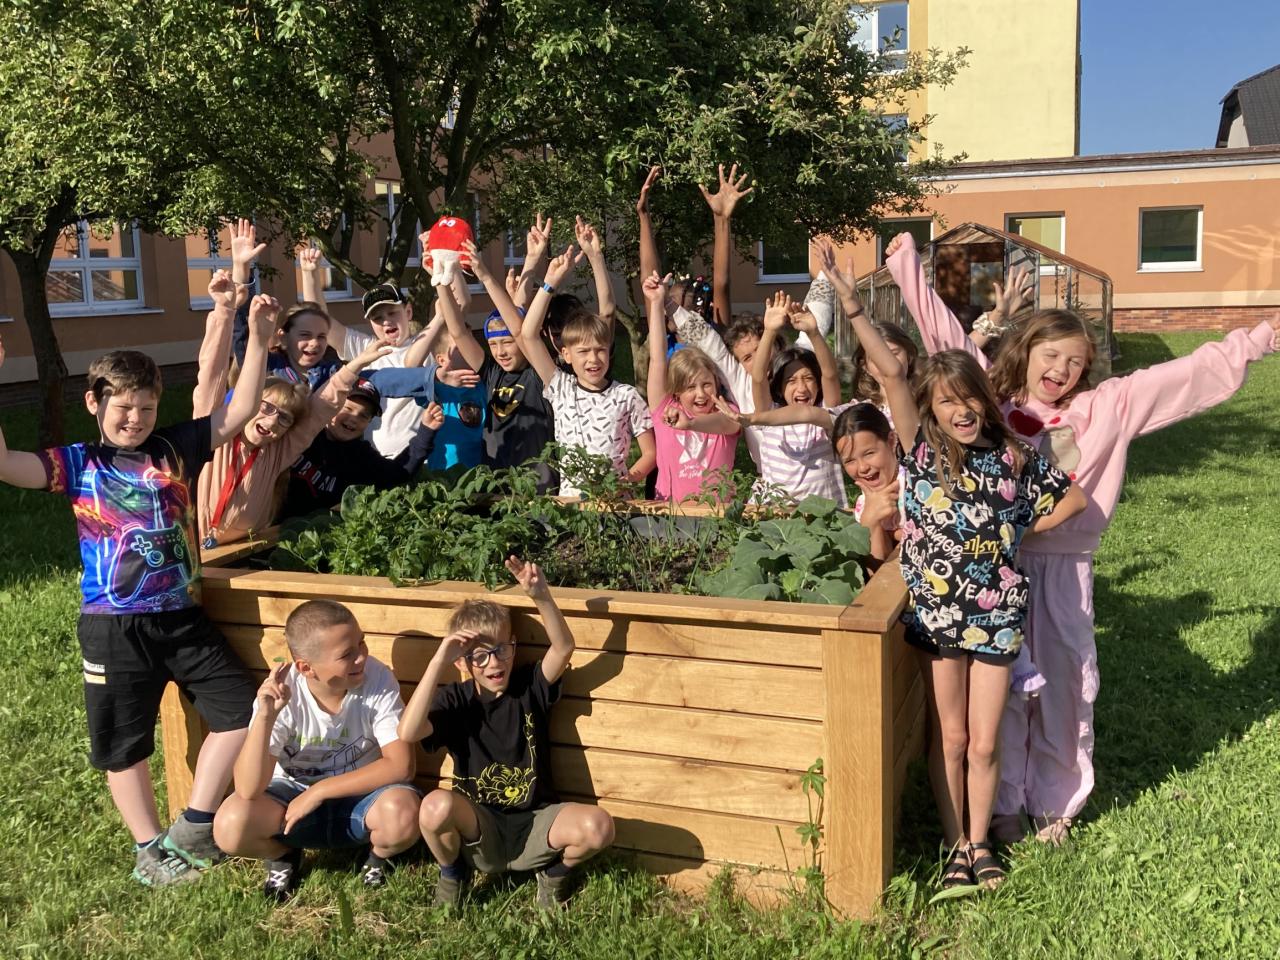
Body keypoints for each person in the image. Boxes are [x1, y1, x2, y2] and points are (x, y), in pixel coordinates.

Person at [882, 230, 1280, 845]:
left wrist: (1257, 338)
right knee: (1002, 685)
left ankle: (1055, 803)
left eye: (1074, 361)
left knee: (1067, 683)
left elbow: (1185, 376)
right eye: (1051, 355)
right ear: (1025, 352)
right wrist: (908, 265)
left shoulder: (1109, 406)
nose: (1061, 371)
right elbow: (946, 341)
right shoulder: (991, 403)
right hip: (997, 570)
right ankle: (1004, 802)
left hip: (1066, 569)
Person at [0, 271, 273, 885]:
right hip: (113, 626)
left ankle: (193, 824)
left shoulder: (174, 447)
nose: (136, 419)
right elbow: (5, 464)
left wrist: (257, 338)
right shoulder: (78, 463)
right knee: (124, 745)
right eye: (124, 408)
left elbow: (241, 410)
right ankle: (149, 848)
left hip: (183, 619)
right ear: (94, 404)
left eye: (147, 407)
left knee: (241, 709)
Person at [849, 286, 1086, 888]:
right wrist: (853, 309)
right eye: (947, 401)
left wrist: (1020, 526)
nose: (961, 410)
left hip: (996, 618)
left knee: (983, 742)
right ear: (931, 408)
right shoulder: (923, 450)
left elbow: (1074, 499)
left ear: (985, 398)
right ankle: (955, 845)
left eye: (969, 397)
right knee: (950, 738)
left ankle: (980, 844)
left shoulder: (1012, 455)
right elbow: (892, 374)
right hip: (937, 618)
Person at [399, 557, 615, 909]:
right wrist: (438, 661)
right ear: (461, 662)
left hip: (536, 820)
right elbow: (408, 732)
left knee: (599, 826)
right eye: (480, 656)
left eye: (501, 649)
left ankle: (553, 875)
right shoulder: (454, 700)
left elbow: (563, 648)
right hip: (480, 828)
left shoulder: (529, 686)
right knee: (434, 807)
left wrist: (541, 596)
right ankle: (453, 874)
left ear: (513, 645)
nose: (495, 662)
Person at [212, 600, 421, 901]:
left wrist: (320, 791)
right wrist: (265, 717)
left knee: (402, 812)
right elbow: (247, 788)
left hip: (363, 794)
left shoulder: (376, 678)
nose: (362, 657)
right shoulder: (283, 691)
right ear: (306, 668)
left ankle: (379, 856)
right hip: (290, 796)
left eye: (361, 643)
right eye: (347, 654)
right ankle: (282, 855)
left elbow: (401, 766)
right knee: (230, 825)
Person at [194, 287, 394, 546]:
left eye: (284, 418)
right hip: (192, 544)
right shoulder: (215, 434)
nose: (272, 421)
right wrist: (224, 310)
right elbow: (211, 374)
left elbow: (319, 410)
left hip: (245, 550)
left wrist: (355, 365)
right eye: (267, 408)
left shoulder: (278, 453)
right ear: (249, 405)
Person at [512, 245, 655, 498]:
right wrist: (549, 283)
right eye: (583, 352)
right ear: (566, 354)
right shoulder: (560, 387)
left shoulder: (626, 395)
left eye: (600, 350)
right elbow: (528, 334)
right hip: (572, 506)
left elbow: (650, 453)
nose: (593, 359)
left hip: (616, 504)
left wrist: (625, 482)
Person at [442, 237, 556, 489]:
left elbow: (519, 328)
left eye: (507, 343)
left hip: (538, 489)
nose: (500, 352)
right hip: (497, 487)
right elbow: (458, 332)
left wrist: (484, 275)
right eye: (493, 344)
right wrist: (440, 280)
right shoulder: (492, 373)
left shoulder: (539, 373)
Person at [641, 271, 740, 500]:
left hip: (717, 515)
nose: (701, 394)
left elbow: (728, 424)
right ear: (676, 390)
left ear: (717, 382)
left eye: (706, 384)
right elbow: (657, 359)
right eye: (690, 387)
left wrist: (691, 423)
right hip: (670, 513)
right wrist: (657, 303)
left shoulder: (728, 412)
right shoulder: (665, 409)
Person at [749, 291, 850, 505]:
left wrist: (814, 333)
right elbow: (758, 378)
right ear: (779, 387)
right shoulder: (770, 415)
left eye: (808, 378)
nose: (801, 388)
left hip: (825, 517)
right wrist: (769, 332)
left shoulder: (826, 414)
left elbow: (830, 374)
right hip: (776, 515)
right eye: (791, 381)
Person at [280, 381, 413, 520]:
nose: (354, 418)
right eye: (348, 408)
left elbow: (397, 474)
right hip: (269, 520)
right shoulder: (303, 430)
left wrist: (425, 431)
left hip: (310, 528)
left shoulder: (362, 456)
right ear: (332, 406)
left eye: (363, 416)